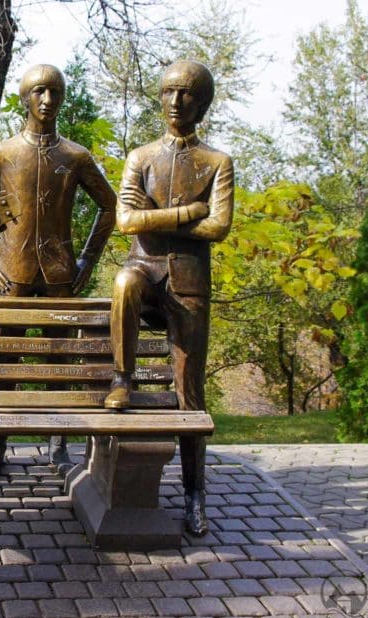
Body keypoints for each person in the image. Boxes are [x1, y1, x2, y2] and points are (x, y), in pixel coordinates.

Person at [0, 64, 117, 480]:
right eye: (39, 91)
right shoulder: (5, 152)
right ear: (25, 98)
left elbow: (110, 206)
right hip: (11, 273)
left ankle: (58, 440)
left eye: (54, 92)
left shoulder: (75, 155)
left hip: (61, 273)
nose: (47, 100)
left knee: (59, 359)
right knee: (5, 359)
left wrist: (88, 260)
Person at [103, 60, 234, 537]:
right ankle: (123, 379)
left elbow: (218, 226)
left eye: (187, 94)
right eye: (169, 92)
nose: (176, 102)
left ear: (202, 102)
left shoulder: (216, 163)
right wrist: (188, 212)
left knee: (189, 394)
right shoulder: (141, 157)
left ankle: (196, 493)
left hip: (189, 280)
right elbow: (126, 222)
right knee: (122, 284)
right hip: (144, 266)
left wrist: (159, 217)